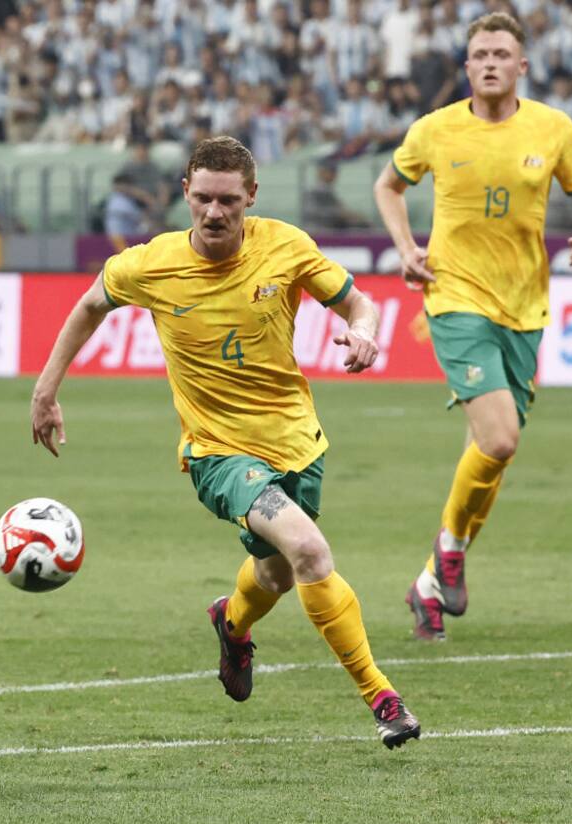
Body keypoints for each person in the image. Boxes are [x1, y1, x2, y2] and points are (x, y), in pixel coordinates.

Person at [31, 136, 421, 750]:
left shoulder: (287, 247)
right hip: (217, 454)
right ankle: (382, 698)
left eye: (229, 202)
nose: (215, 213)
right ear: (185, 192)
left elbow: (357, 303)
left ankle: (232, 623)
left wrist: (365, 334)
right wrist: (46, 391)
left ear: (251, 198)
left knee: (276, 574)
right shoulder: (150, 263)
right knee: (310, 553)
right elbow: (88, 305)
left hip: (296, 441)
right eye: (204, 198)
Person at [373, 13, 572, 642]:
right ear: (466, 65)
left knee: (489, 454)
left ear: (522, 65)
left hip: (526, 307)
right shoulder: (435, 129)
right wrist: (405, 246)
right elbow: (388, 186)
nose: (489, 62)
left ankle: (429, 580)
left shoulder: (553, 129)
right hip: (453, 296)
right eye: (479, 53)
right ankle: (451, 550)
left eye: (501, 53)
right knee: (501, 439)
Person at [302, 159, 369, 231]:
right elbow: (313, 212)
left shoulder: (327, 190)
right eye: (330, 172)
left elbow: (339, 210)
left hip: (330, 229)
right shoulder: (316, 190)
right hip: (318, 231)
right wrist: (341, 214)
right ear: (321, 172)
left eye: (334, 172)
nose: (334, 175)